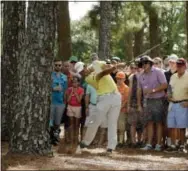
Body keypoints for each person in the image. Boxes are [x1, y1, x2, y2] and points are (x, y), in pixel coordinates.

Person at [76, 62, 125, 154]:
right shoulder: (88, 79)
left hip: (116, 96)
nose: (83, 73)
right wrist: (115, 67)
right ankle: (85, 142)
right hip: (103, 98)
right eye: (81, 72)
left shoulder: (96, 64)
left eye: (83, 70)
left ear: (85, 66)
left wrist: (112, 66)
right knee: (95, 121)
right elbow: (102, 74)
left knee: (112, 122)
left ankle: (111, 147)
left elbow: (106, 67)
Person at [137, 56, 167, 151]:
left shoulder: (158, 72)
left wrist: (153, 90)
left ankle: (158, 144)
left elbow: (165, 85)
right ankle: (149, 144)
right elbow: (139, 90)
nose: (144, 65)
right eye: (142, 64)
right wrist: (139, 104)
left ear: (150, 63)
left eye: (146, 63)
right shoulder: (140, 75)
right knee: (149, 122)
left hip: (159, 100)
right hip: (148, 101)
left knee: (158, 122)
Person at [166, 58, 188, 153]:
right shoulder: (173, 76)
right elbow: (170, 88)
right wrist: (168, 95)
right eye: (177, 65)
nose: (179, 67)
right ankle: (173, 145)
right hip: (172, 103)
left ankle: (182, 145)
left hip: (182, 103)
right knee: (171, 125)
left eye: (181, 65)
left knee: (182, 127)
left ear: (185, 66)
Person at [127, 58, 145, 148]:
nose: (139, 67)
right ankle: (133, 141)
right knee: (133, 123)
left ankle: (140, 140)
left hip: (144, 102)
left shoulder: (146, 75)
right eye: (138, 65)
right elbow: (130, 91)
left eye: (140, 65)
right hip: (133, 102)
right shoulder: (132, 77)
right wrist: (128, 104)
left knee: (142, 123)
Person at [50, 59, 67, 145]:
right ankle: (50, 138)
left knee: (57, 122)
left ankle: (55, 137)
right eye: (56, 65)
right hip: (51, 101)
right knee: (50, 121)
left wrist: (65, 102)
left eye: (59, 65)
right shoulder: (50, 75)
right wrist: (53, 89)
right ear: (53, 65)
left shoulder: (64, 77)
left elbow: (65, 90)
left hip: (60, 102)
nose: (58, 67)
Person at [66, 76, 84, 146]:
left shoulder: (81, 90)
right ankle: (71, 139)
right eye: (73, 82)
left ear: (78, 83)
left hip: (78, 107)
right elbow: (67, 100)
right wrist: (71, 93)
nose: (74, 83)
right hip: (70, 107)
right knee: (71, 123)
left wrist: (76, 93)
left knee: (77, 124)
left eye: (76, 82)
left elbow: (79, 100)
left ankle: (76, 139)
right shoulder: (69, 89)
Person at [116, 71, 129, 147]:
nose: (119, 80)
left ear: (124, 79)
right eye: (118, 78)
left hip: (122, 110)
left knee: (121, 127)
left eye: (121, 79)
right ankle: (117, 141)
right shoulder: (114, 87)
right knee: (115, 126)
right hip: (114, 110)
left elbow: (126, 100)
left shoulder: (126, 88)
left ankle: (121, 142)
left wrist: (120, 107)